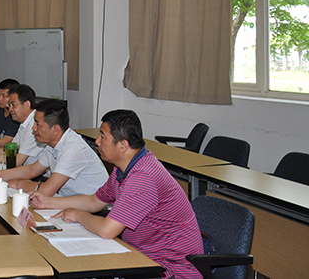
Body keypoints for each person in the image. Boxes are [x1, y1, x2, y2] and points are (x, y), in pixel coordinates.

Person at [31, 109, 203, 279]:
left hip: (169, 269)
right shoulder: (124, 168)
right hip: (141, 256)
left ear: (123, 145)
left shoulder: (143, 177)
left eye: (103, 137)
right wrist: (48, 202)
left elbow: (107, 230)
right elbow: (94, 201)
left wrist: (77, 215)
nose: (97, 141)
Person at [0, 99, 108, 197]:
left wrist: (18, 183)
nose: (33, 128)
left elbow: (47, 191)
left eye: (38, 124)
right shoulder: (53, 144)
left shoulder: (72, 149)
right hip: (69, 199)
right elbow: (32, 170)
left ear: (55, 129)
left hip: (94, 209)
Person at [0, 84, 43, 166]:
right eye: (9, 105)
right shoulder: (24, 123)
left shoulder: (34, 125)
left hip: (36, 173)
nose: (10, 109)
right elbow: (10, 151)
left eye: (13, 105)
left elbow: (17, 161)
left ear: (27, 104)